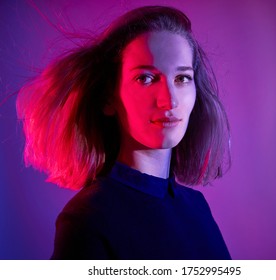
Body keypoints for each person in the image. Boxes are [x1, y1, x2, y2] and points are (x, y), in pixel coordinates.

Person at [16, 6, 231, 260]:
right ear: (109, 97)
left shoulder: (197, 207)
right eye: (146, 79)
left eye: (182, 78)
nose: (169, 100)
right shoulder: (88, 219)